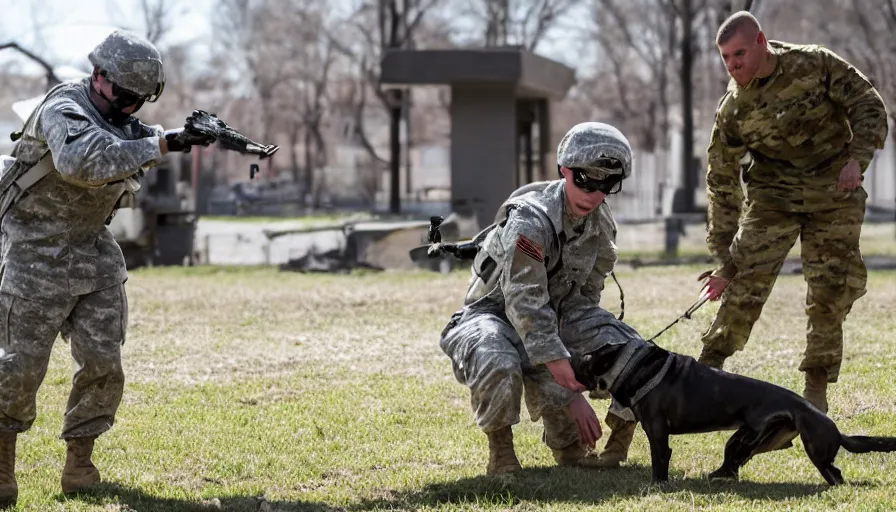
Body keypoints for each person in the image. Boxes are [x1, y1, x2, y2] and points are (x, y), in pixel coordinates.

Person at [0, 29, 213, 505]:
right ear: (100, 76)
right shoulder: (64, 108)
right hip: (35, 255)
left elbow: (133, 140)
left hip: (92, 254)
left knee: (103, 364)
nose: (133, 108)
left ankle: (79, 463)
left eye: (141, 100)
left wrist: (187, 137)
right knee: (18, 370)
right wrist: (164, 142)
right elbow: (81, 161)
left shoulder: (121, 118)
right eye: (127, 96)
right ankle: (1, 465)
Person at [698, 11, 889, 413]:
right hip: (773, 199)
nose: (732, 65)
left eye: (739, 54)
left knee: (829, 291)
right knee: (745, 281)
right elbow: (721, 182)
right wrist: (723, 258)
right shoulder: (733, 109)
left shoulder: (814, 63)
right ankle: (706, 371)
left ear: (761, 42)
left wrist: (858, 159)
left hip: (834, 190)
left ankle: (815, 390)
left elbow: (868, 103)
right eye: (725, 58)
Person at [438, 121, 646, 475]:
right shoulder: (530, 223)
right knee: (497, 356)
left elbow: (586, 299)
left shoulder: (601, 224)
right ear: (565, 170)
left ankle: (614, 445)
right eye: (585, 180)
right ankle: (502, 454)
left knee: (635, 352)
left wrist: (587, 357)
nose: (595, 193)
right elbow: (525, 303)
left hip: (557, 314)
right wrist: (568, 387)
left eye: (608, 184)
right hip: (493, 315)